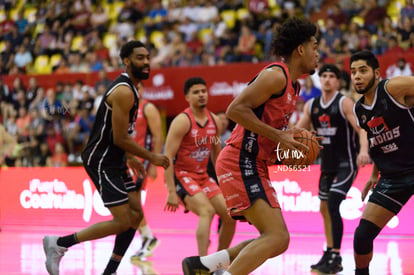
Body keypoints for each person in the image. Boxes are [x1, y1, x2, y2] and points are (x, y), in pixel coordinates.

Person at [181, 17, 319, 275]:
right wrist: (280, 137)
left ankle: (203, 265)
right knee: (277, 237)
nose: (318, 52)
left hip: (254, 162)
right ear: (300, 49)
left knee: (276, 239)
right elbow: (235, 110)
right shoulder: (276, 75)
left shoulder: (294, 85)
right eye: (315, 45)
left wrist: (291, 141)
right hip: (240, 160)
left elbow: (264, 131)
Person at [42, 40, 169, 275]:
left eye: (148, 57)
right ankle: (59, 243)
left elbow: (120, 133)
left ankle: (110, 271)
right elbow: (120, 137)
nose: (146, 62)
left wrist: (130, 156)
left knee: (136, 216)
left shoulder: (132, 89)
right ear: (127, 61)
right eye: (140, 58)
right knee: (122, 220)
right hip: (101, 159)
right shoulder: (123, 91)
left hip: (116, 158)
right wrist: (152, 156)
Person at [296, 63, 370, 274]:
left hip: (347, 164)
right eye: (324, 76)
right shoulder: (311, 105)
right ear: (320, 80)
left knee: (333, 203)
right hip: (326, 166)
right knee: (323, 208)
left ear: (338, 81)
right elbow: (296, 133)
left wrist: (363, 151)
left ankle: (336, 256)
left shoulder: (344, 102)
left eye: (331, 76)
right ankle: (329, 252)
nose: (327, 79)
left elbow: (362, 129)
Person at [351, 50, 414, 275]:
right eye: (353, 72)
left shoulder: (393, 88)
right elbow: (377, 142)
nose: (357, 76)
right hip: (392, 177)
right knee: (361, 237)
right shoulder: (359, 110)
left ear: (377, 73)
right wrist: (374, 175)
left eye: (363, 70)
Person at [164, 77, 236, 260]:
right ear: (187, 97)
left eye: (203, 91)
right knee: (207, 211)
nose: (201, 95)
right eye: (196, 92)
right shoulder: (182, 121)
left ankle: (219, 261)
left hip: (203, 176)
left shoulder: (214, 121)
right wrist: (171, 191)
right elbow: (167, 158)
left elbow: (217, 157)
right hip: (183, 176)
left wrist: (225, 181)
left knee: (230, 215)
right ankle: (202, 263)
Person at [130, 82, 163, 259]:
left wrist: (154, 164)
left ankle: (148, 237)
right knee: (130, 203)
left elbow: (158, 136)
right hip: (128, 161)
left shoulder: (148, 108)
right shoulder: (127, 109)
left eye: (139, 87)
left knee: (132, 201)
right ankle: (147, 237)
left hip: (142, 163)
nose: (136, 90)